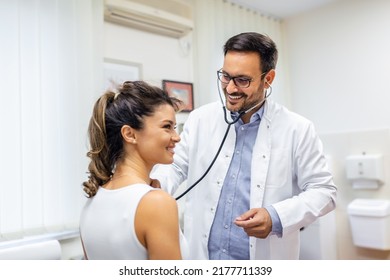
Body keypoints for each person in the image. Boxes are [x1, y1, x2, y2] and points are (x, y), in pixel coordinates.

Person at [151, 32, 337, 260]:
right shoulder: (200, 119)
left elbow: (324, 192)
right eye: (225, 77)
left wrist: (276, 216)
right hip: (202, 259)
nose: (230, 89)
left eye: (242, 80)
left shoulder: (297, 128)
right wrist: (153, 187)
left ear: (268, 79)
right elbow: (176, 166)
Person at [79, 81, 188, 260]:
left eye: (175, 128)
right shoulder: (157, 203)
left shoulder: (93, 200)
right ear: (130, 134)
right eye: (167, 127)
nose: (176, 137)